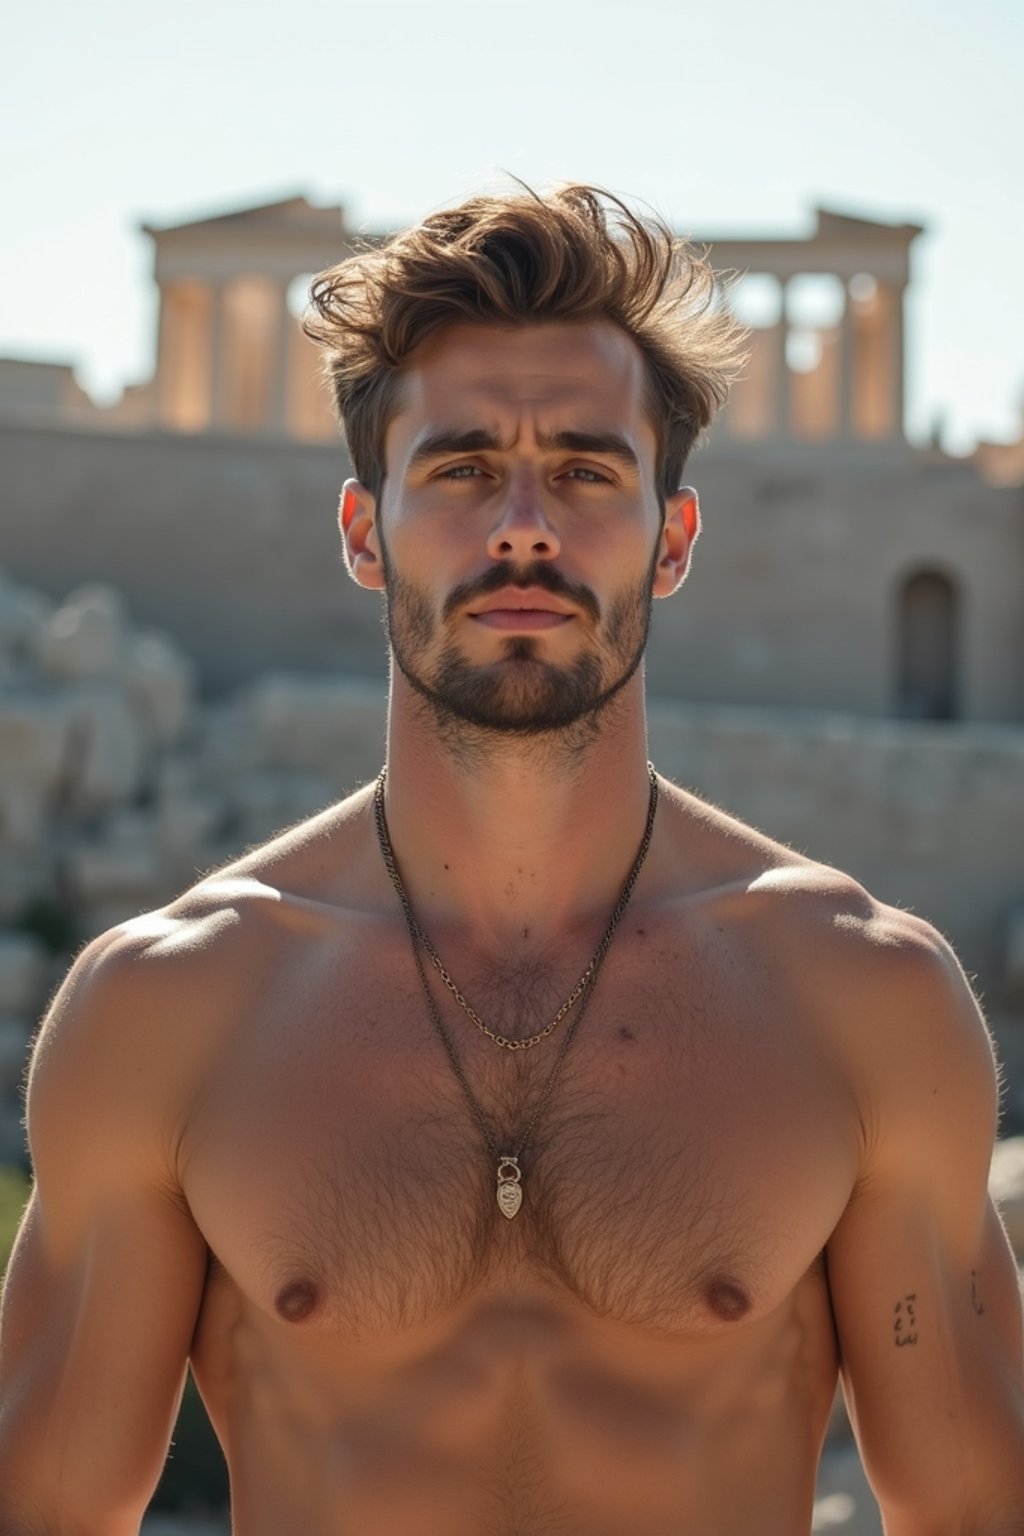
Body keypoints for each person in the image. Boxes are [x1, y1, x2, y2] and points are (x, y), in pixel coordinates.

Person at [1, 182, 1022, 1536]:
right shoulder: (169, 1008)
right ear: (366, 533)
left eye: (590, 470)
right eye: (464, 465)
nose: (524, 525)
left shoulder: (864, 1001)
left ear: (673, 540)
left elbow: (974, 1508)